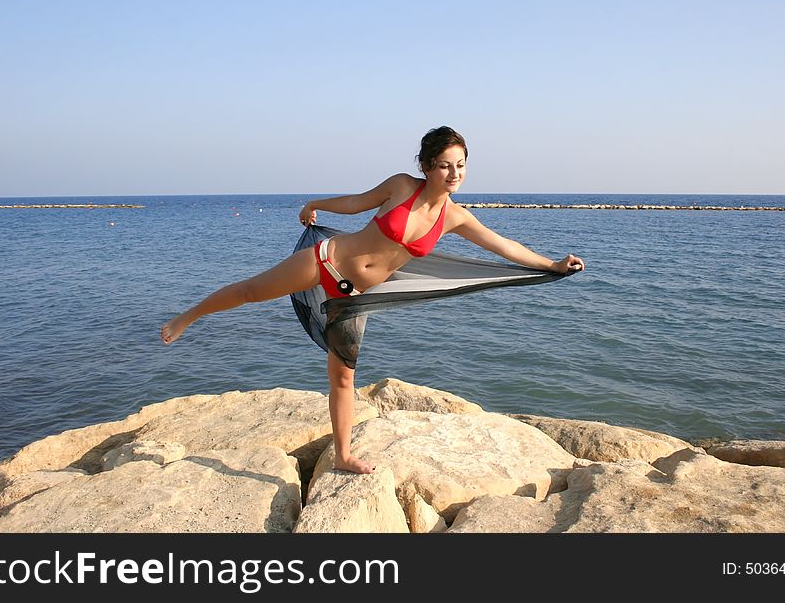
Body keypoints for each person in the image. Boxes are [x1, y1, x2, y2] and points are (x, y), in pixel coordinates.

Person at [161, 126, 584, 474]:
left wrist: (552, 263)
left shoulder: (455, 216)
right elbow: (354, 203)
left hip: (354, 298)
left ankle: (343, 455)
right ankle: (189, 316)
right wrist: (314, 203)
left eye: (461, 166)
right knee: (250, 291)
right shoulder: (401, 186)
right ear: (426, 165)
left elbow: (503, 246)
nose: (454, 173)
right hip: (326, 262)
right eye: (444, 165)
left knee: (343, 379)